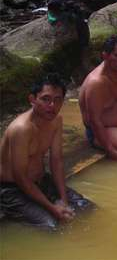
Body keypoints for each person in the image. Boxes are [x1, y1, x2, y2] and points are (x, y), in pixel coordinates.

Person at [0, 74, 94, 229]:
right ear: (32, 99)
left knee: (85, 207)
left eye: (57, 100)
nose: (52, 105)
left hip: (42, 181)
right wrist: (53, 209)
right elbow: (20, 177)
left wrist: (63, 201)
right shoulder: (21, 129)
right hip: (12, 189)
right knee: (52, 226)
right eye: (45, 99)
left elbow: (56, 161)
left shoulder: (56, 121)